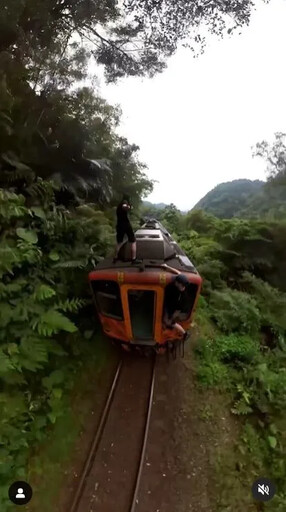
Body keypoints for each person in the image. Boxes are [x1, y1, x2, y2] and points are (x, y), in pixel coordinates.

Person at [162, 265, 189, 341]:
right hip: (170, 305)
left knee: (170, 322)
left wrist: (171, 318)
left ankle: (184, 333)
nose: (175, 282)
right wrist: (167, 267)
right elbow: (178, 272)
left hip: (173, 309)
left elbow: (178, 310)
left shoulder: (181, 297)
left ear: (180, 284)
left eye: (176, 281)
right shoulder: (182, 284)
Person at [113, 195, 141, 264]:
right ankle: (133, 259)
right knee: (133, 241)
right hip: (126, 225)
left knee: (119, 242)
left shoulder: (119, 206)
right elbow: (126, 207)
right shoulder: (124, 203)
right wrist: (130, 206)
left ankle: (115, 258)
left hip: (119, 225)